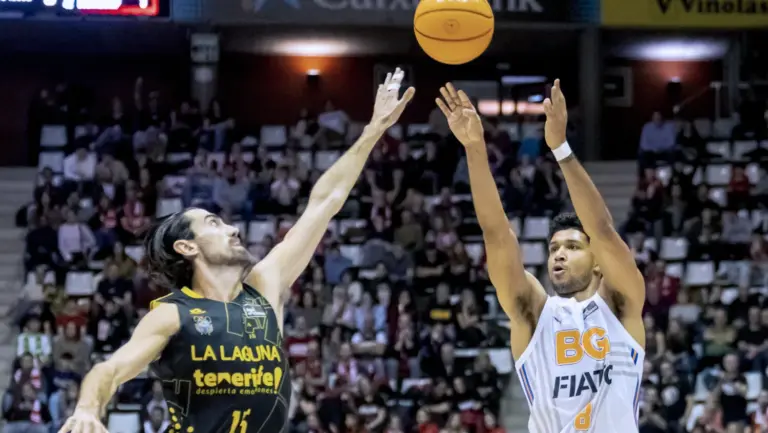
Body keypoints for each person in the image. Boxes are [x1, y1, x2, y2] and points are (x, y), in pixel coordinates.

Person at [57, 68, 415, 433]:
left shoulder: (265, 283)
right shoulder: (171, 314)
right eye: (213, 223)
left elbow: (326, 201)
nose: (231, 228)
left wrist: (373, 131)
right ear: (186, 246)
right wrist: (88, 408)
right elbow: (110, 369)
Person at [435, 80, 645, 433]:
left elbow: (603, 230)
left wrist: (560, 147)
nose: (558, 255)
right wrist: (474, 148)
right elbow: (498, 236)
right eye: (553, 249)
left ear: (597, 262)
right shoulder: (535, 314)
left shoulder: (621, 304)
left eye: (573, 247)